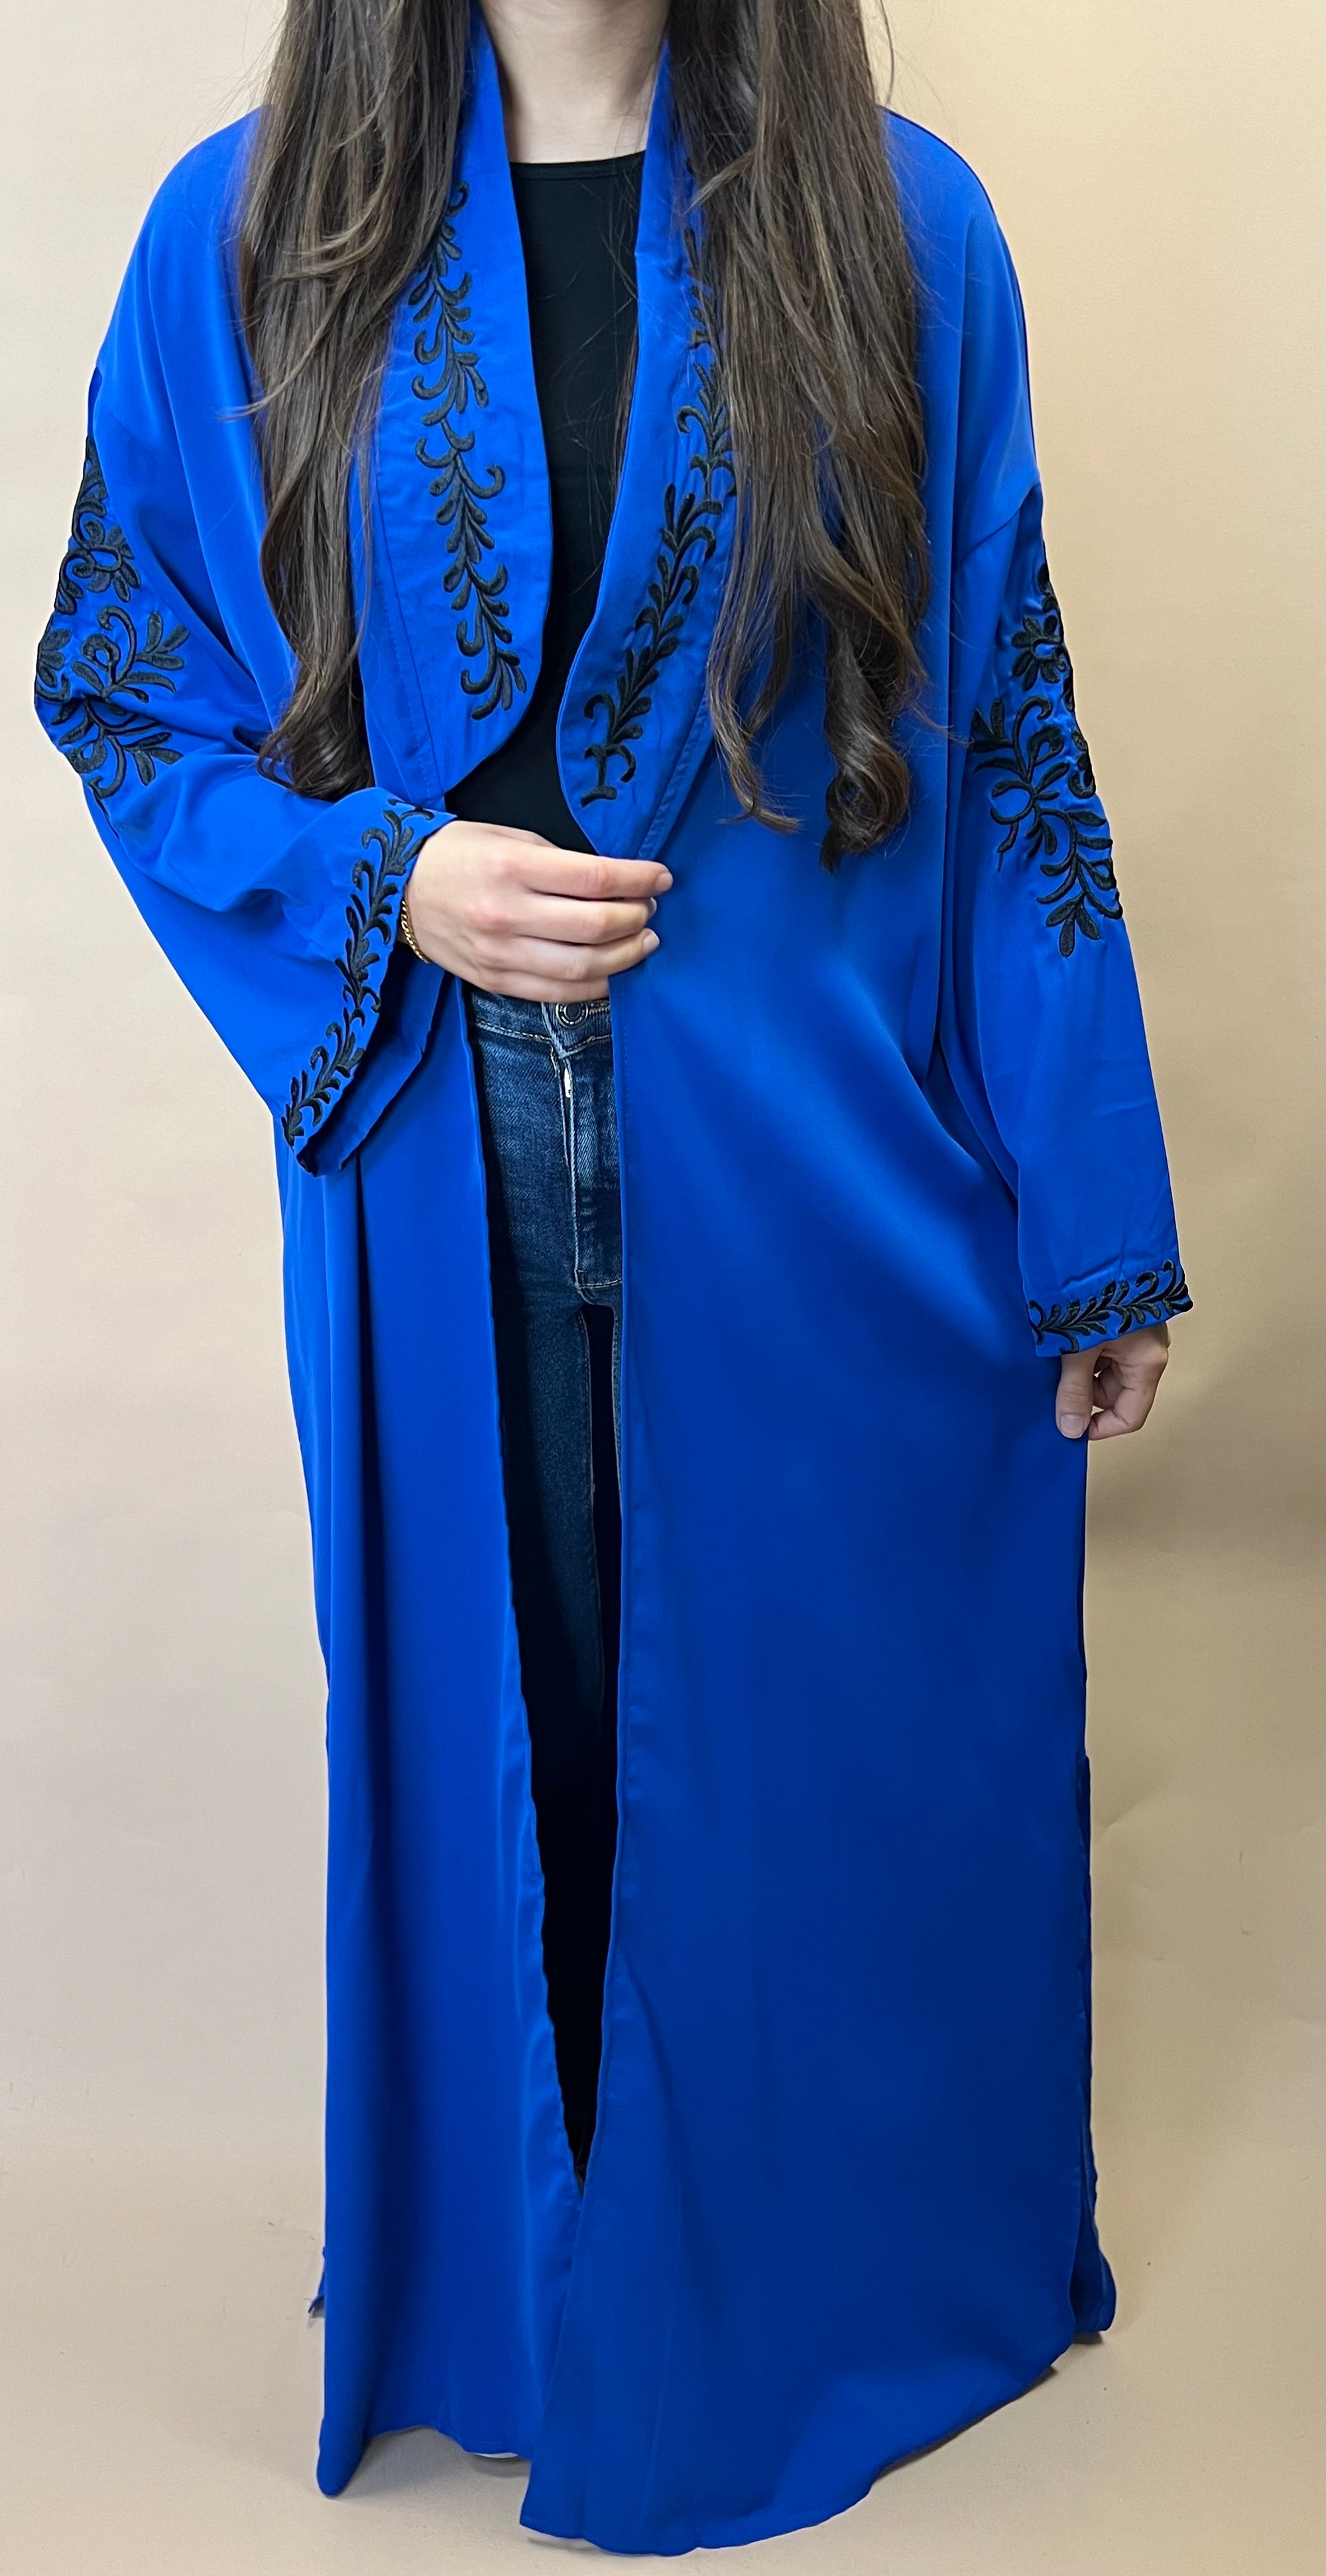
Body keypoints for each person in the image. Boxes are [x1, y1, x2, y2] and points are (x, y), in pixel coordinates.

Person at [33, 0, 1189, 2552]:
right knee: (525, 1729)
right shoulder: (248, 232)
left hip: (809, 1161)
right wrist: (388, 878)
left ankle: (817, 2293)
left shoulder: (904, 230)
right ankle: (539, 2296)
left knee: (800, 1748)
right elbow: (118, 680)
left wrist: (1090, 1201)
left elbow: (1006, 722)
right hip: (429, 1153)